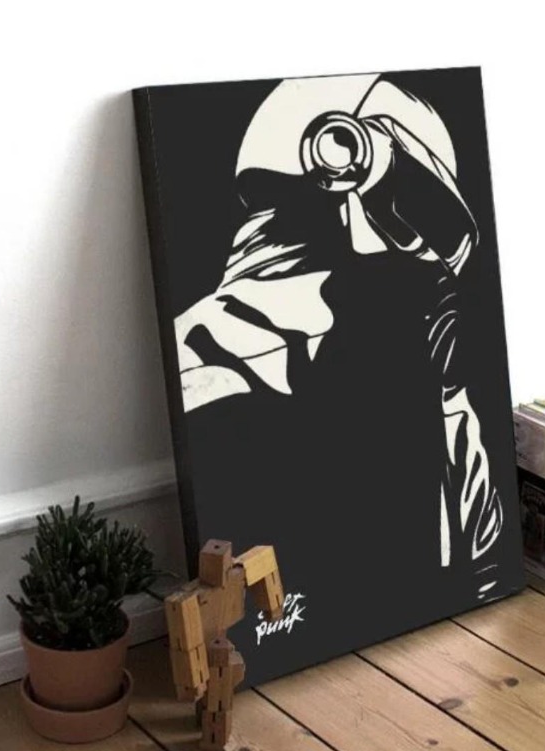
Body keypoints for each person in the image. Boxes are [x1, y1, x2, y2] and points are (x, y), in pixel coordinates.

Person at [174, 74, 506, 602]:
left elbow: (479, 561)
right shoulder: (214, 364)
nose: (427, 257)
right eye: (407, 209)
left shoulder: (434, 388)